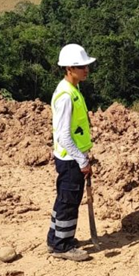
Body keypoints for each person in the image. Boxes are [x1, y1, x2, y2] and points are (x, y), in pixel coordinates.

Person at [47, 43, 96, 262]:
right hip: (70, 159)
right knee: (69, 202)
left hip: (70, 157)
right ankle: (62, 246)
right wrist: (81, 160)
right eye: (81, 66)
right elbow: (64, 135)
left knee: (64, 199)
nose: (86, 70)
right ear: (69, 68)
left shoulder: (73, 90)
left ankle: (55, 238)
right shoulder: (66, 96)